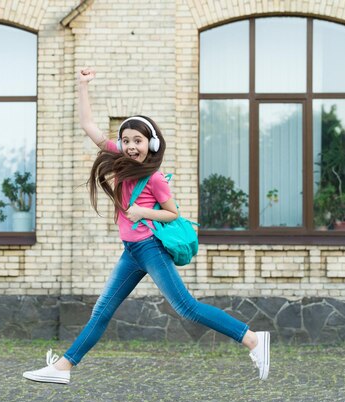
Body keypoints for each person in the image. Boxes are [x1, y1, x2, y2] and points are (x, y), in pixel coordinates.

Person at [22, 68, 270, 385]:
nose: (130, 146)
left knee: (187, 308)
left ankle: (253, 340)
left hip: (151, 249)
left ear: (150, 144)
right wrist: (83, 86)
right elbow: (89, 127)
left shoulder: (154, 178)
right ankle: (63, 368)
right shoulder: (121, 158)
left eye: (137, 140)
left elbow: (172, 215)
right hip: (131, 253)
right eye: (126, 141)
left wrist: (142, 211)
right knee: (102, 310)